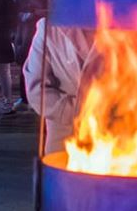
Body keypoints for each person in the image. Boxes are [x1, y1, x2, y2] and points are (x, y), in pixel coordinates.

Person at [24, 19, 94, 153]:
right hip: (65, 135)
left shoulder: (127, 26)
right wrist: (76, 111)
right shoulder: (49, 28)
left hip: (117, 137)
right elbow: (36, 89)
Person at [13, 0, 47, 110]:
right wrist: (33, 13)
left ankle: (39, 97)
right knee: (25, 65)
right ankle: (25, 97)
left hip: (40, 32)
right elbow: (14, 13)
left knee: (41, 65)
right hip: (24, 33)